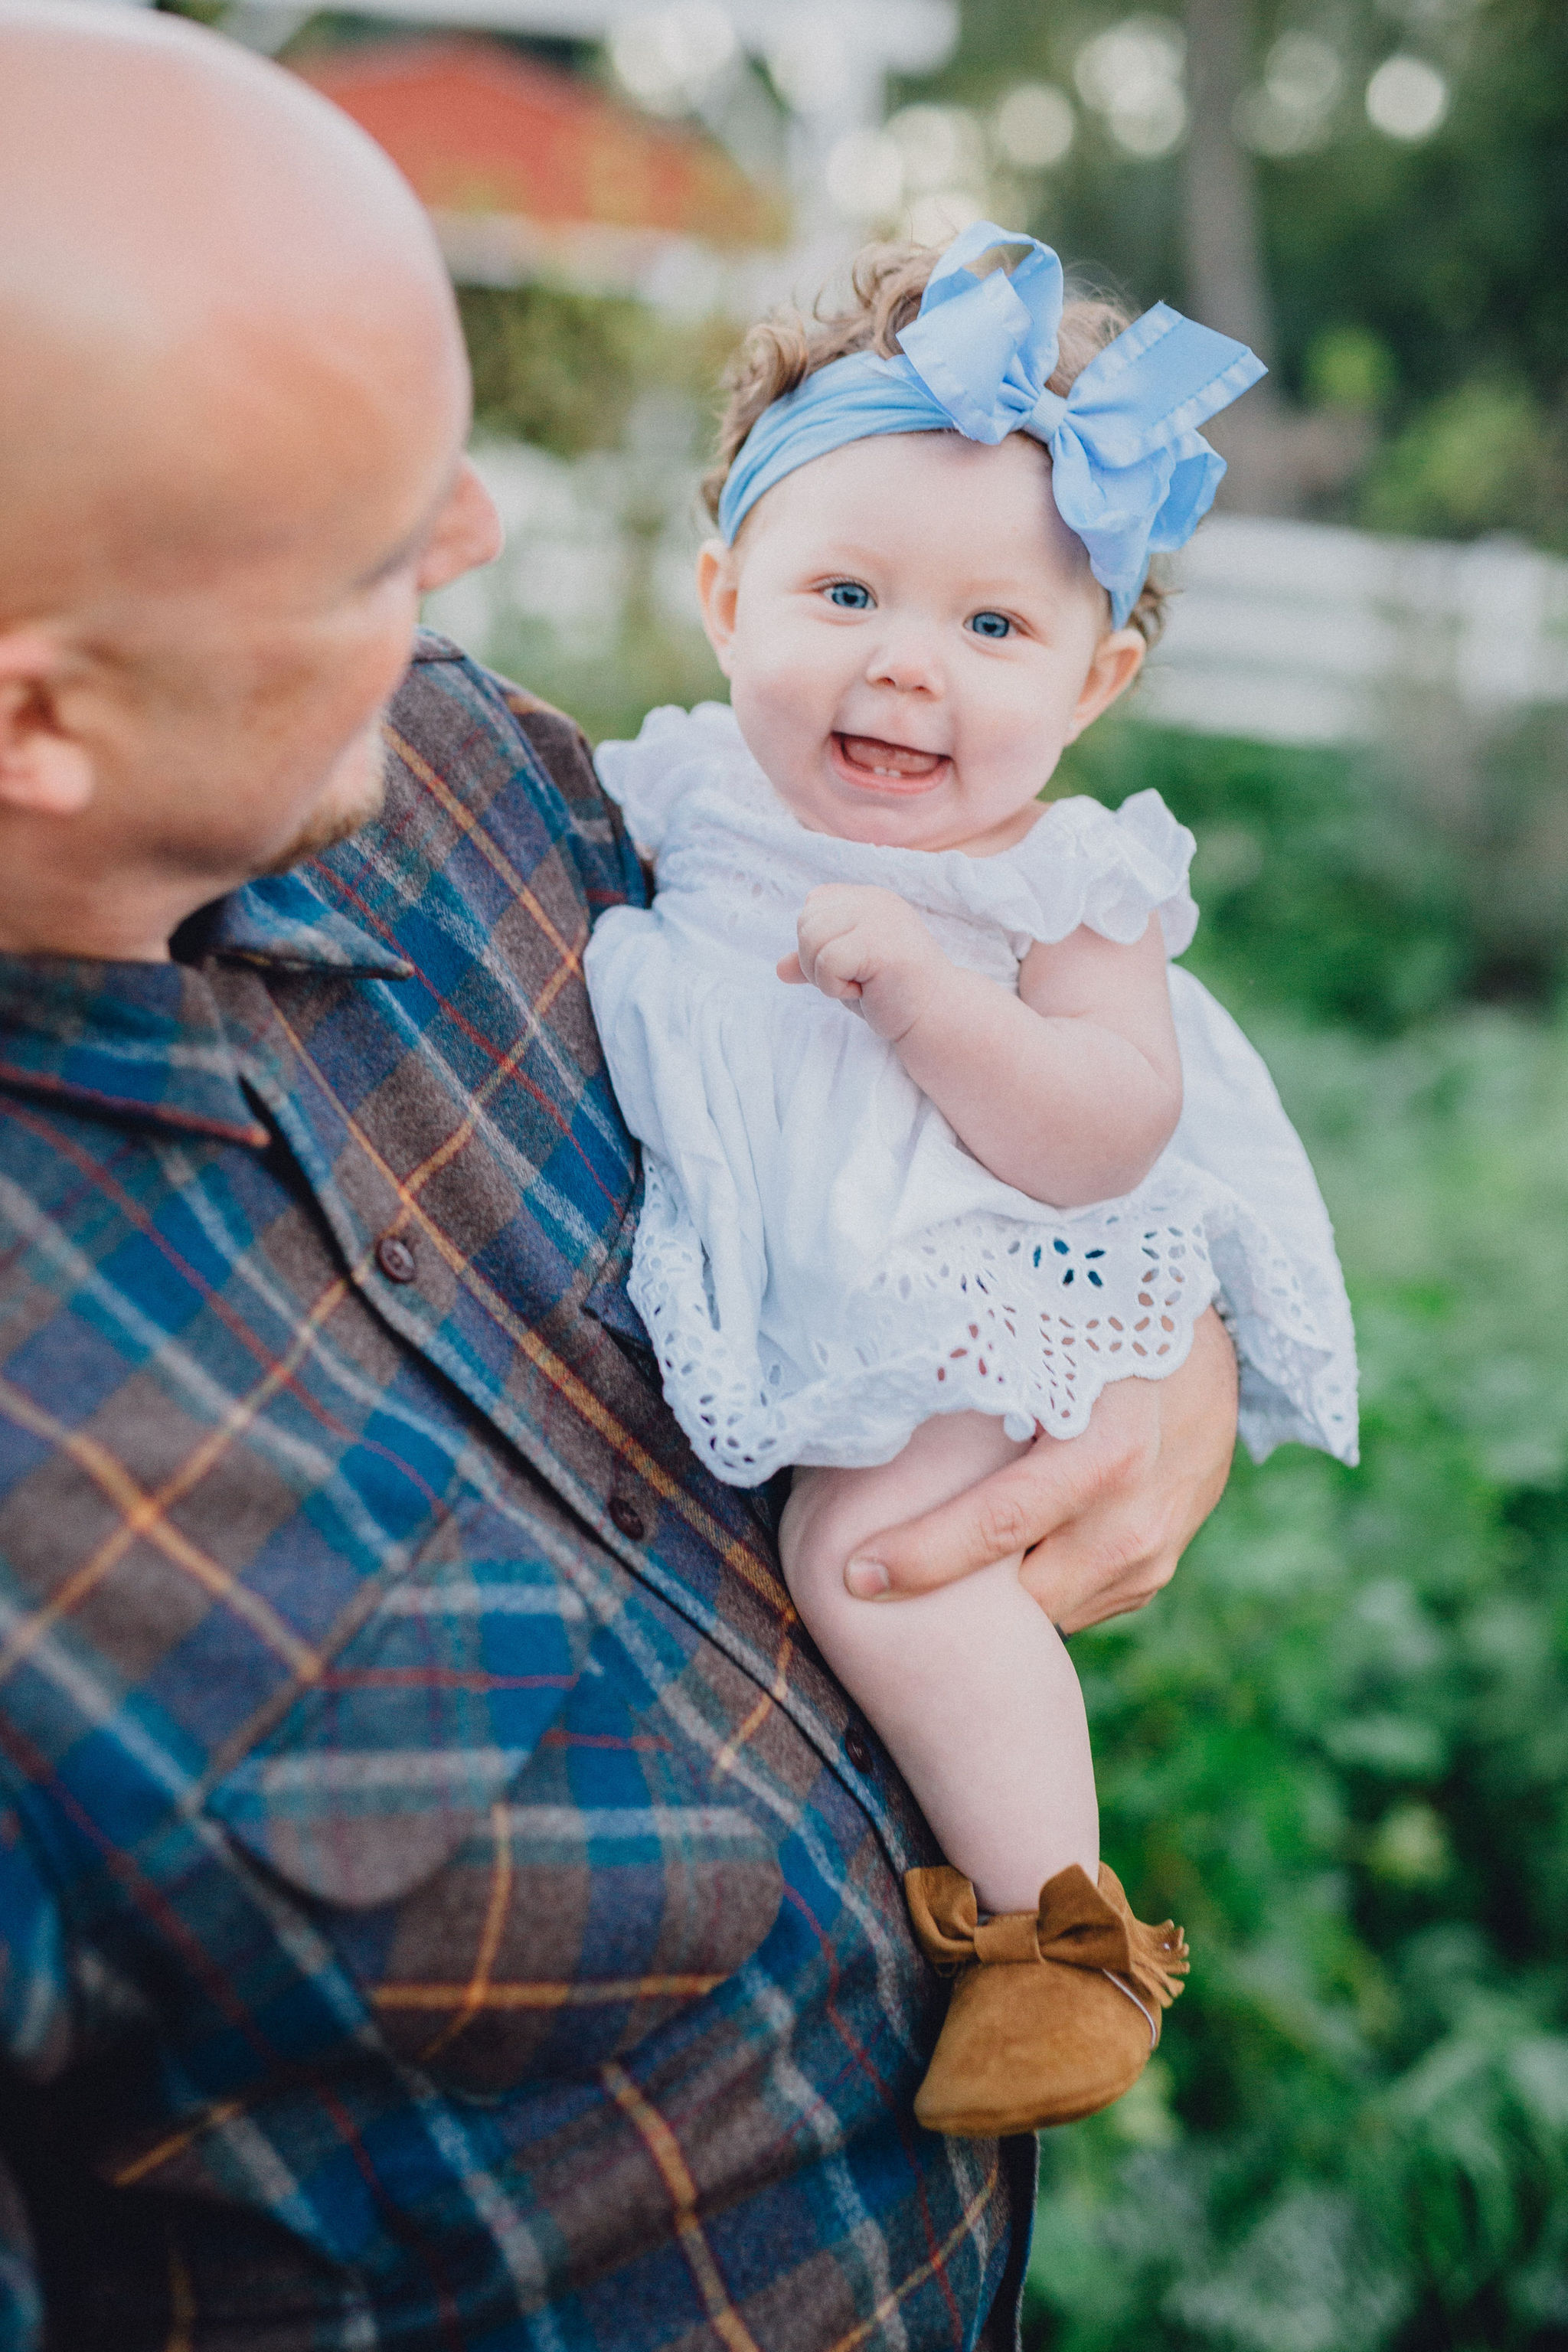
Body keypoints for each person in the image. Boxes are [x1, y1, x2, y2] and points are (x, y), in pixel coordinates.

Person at [0, 6, 1259, 2346]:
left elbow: (1027, 1006)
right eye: (371, 544)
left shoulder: (477, 781)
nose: (472, 558)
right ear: (39, 719)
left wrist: (1149, 1303)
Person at [582, 230, 1359, 2137]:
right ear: (722, 594)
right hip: (793, 1260)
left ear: (1096, 680)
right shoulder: (675, 789)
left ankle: (1059, 1940)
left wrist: (934, 999)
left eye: (994, 631)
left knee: (877, 1566)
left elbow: (1105, 1129)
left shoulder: (1058, 886)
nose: (906, 663)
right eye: (842, 591)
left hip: (983, 1278)